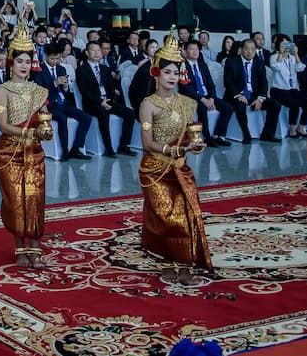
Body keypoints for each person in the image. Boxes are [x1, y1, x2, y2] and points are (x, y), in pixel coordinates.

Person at [137, 34, 210, 286]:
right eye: (167, 72)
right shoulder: (148, 105)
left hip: (180, 167)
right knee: (167, 216)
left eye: (176, 73)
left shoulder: (188, 104)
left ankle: (185, 265)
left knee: (186, 214)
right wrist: (175, 150)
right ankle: (168, 261)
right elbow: (147, 143)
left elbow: (193, 136)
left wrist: (196, 146)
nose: (172, 77)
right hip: (154, 168)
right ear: (156, 73)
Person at [0, 19, 52, 267]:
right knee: (16, 199)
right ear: (11, 62)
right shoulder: (3, 90)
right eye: (20, 61)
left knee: (35, 199)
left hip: (34, 152)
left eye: (28, 61)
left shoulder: (39, 91)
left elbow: (46, 121)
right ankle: (20, 249)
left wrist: (46, 132)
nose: (24, 66)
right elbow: (3, 125)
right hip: (10, 151)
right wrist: (29, 134)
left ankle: (36, 249)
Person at [77, 40, 136, 157]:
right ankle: (109, 148)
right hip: (92, 103)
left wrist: (112, 100)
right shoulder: (81, 70)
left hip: (107, 101)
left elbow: (112, 87)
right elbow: (85, 91)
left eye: (98, 50)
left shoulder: (105, 69)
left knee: (130, 113)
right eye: (93, 51)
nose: (96, 53)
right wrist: (100, 102)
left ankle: (124, 145)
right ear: (87, 53)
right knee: (103, 113)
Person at [35, 42, 91, 160]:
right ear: (45, 55)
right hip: (49, 105)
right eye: (52, 58)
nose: (55, 61)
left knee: (86, 117)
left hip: (64, 102)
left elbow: (65, 91)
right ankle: (65, 150)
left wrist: (65, 86)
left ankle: (76, 148)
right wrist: (54, 83)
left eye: (57, 58)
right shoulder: (39, 70)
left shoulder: (61, 69)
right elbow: (40, 92)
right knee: (62, 118)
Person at [222, 39, 281, 142]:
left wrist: (260, 99)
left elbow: (264, 83)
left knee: (275, 104)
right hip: (235, 95)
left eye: (252, 49)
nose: (249, 52)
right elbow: (228, 82)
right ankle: (246, 134)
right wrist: (239, 95)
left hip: (254, 95)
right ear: (241, 49)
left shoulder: (259, 63)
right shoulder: (231, 61)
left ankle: (267, 134)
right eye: (246, 49)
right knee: (240, 106)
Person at [179, 40, 232, 147]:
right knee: (202, 108)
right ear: (185, 51)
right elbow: (186, 88)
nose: (195, 52)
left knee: (228, 108)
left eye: (197, 49)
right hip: (192, 98)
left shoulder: (203, 65)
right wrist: (203, 99)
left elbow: (211, 84)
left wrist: (212, 98)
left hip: (208, 96)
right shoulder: (182, 66)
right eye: (191, 49)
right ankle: (207, 137)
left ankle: (218, 136)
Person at [269, 35, 307, 138]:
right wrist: (281, 54)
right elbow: (275, 67)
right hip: (278, 90)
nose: (286, 46)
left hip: (292, 89)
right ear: (278, 45)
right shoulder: (274, 57)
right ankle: (292, 129)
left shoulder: (292, 58)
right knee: (294, 104)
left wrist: (296, 54)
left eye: (288, 44)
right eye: (283, 44)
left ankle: (301, 126)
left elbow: (300, 68)